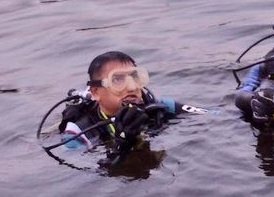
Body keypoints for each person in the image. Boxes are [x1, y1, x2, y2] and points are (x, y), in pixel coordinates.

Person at [58, 51, 193, 168]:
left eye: (135, 77)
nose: (132, 87)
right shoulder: (77, 134)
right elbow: (86, 179)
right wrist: (122, 146)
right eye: (117, 79)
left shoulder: (161, 107)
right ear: (96, 92)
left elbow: (210, 115)